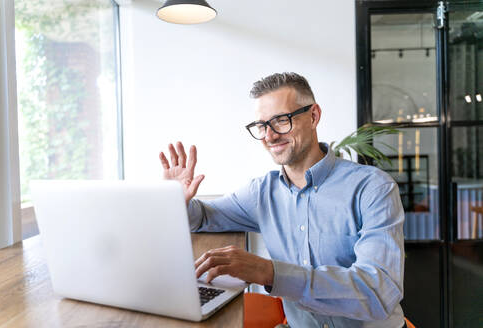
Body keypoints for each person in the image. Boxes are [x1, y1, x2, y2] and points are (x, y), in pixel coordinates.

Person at [159, 72, 405, 328]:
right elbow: (205, 217)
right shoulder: (261, 192)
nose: (270, 135)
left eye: (281, 120)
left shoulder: (373, 188)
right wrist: (178, 200)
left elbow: (378, 292)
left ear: (314, 116)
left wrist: (269, 272)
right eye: (261, 125)